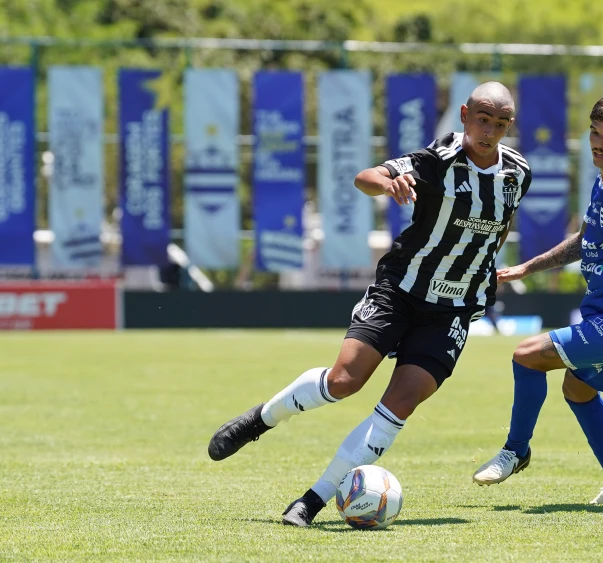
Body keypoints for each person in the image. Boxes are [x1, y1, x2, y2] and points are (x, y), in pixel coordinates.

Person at [206, 81, 532, 527]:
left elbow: (494, 227)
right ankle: (259, 421)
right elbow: (366, 176)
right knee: (343, 381)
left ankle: (312, 501)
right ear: (464, 114)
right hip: (401, 289)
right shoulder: (436, 160)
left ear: (509, 125)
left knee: (400, 402)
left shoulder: (518, 172)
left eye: (498, 123)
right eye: (481, 119)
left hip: (454, 309)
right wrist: (389, 184)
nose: (488, 130)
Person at [471, 93, 603, 504]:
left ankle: (516, 450)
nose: (599, 143)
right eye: (594, 133)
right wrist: (528, 268)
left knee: (527, 355)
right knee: (578, 390)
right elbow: (583, 242)